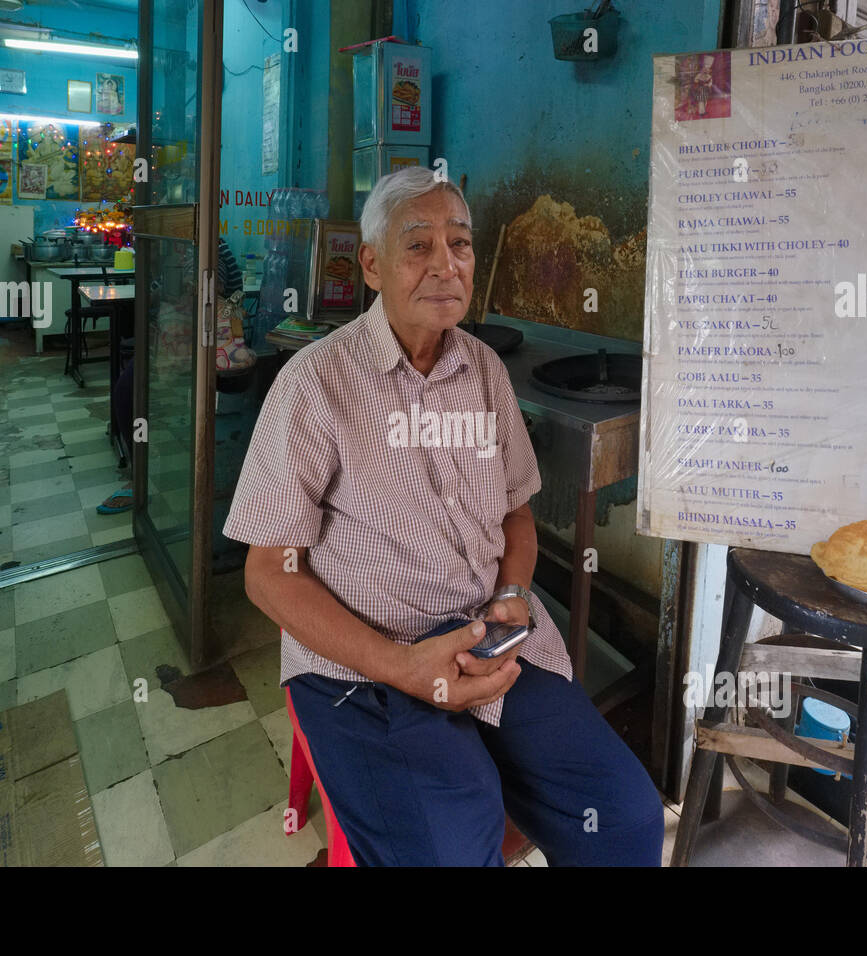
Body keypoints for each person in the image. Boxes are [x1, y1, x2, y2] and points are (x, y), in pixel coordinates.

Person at [223, 166, 663, 865]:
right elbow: (268, 575)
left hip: (486, 633)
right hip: (363, 660)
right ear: (371, 264)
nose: (445, 265)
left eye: (459, 244)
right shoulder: (315, 384)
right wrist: (400, 665)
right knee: (454, 846)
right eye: (418, 245)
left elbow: (517, 514)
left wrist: (513, 594)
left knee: (626, 817)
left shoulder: (484, 369)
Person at [97, 238, 242, 513]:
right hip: (177, 340)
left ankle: (140, 480)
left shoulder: (208, 247)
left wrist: (185, 290)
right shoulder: (177, 250)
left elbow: (216, 292)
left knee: (129, 391)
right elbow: (164, 291)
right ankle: (142, 471)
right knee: (128, 391)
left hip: (208, 345)